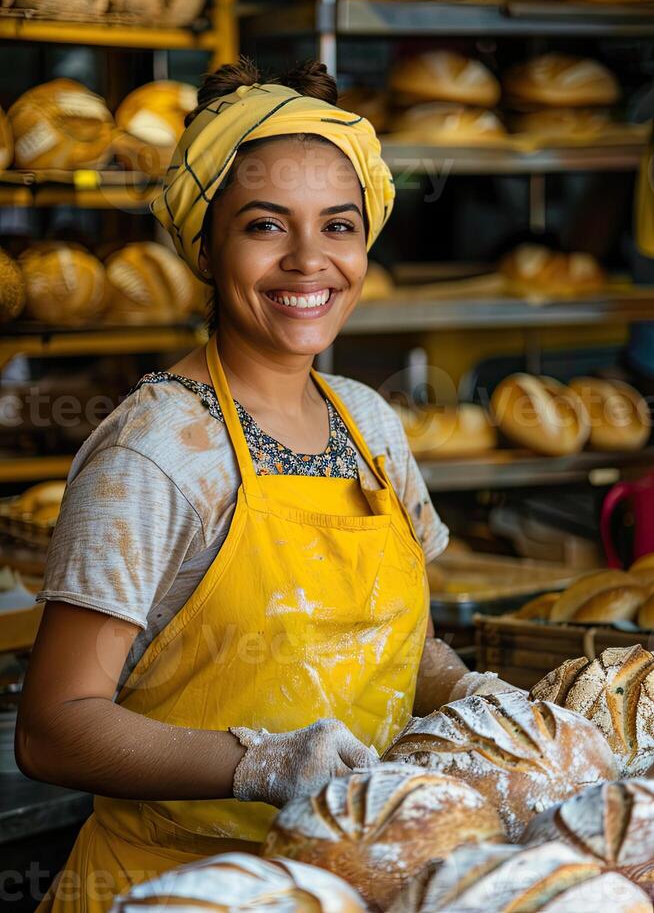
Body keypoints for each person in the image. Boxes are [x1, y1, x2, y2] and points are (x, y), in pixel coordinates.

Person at [17, 58, 513, 912]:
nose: (309, 262)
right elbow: (54, 727)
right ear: (205, 246)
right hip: (173, 890)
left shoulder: (372, 424)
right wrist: (260, 764)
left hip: (349, 883)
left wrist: (473, 698)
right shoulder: (158, 453)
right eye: (265, 226)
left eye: (339, 226)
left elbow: (399, 653)